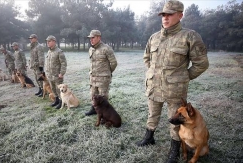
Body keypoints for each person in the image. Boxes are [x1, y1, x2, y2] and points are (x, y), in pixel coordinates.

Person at [135, 1, 209, 163]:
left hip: (175, 91)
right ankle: (149, 137)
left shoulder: (189, 36)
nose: (165, 18)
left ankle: (174, 150)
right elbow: (147, 57)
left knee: (175, 121)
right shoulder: (154, 37)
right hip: (154, 86)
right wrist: (152, 72)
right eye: (163, 15)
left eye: (170, 14)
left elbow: (201, 63)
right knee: (152, 114)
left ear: (180, 15)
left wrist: (184, 76)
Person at [85, 30, 117, 116]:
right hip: (93, 78)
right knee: (93, 95)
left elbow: (114, 63)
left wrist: (107, 73)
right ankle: (94, 109)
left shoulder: (106, 49)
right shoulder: (91, 49)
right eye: (90, 38)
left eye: (93, 37)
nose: (91, 40)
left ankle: (104, 114)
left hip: (103, 79)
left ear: (99, 37)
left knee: (103, 97)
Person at [45, 35, 67, 109]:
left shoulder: (59, 52)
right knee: (53, 88)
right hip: (50, 75)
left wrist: (62, 73)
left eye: (49, 41)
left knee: (59, 89)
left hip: (57, 75)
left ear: (54, 41)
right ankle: (56, 100)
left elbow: (64, 63)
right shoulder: (49, 51)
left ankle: (61, 102)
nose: (47, 43)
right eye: (47, 41)